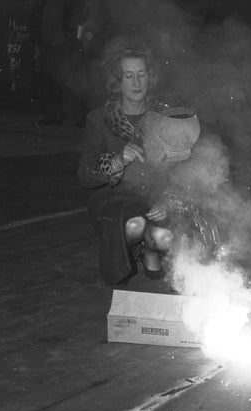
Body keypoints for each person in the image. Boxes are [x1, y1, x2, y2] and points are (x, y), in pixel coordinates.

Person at [78, 38, 212, 286]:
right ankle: (142, 247)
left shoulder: (167, 117)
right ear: (117, 81)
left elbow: (184, 170)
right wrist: (117, 160)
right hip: (114, 202)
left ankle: (152, 249)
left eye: (141, 74)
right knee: (135, 225)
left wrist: (170, 201)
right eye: (128, 76)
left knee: (165, 236)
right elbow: (85, 174)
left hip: (155, 197)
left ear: (151, 77)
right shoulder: (98, 119)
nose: (136, 82)